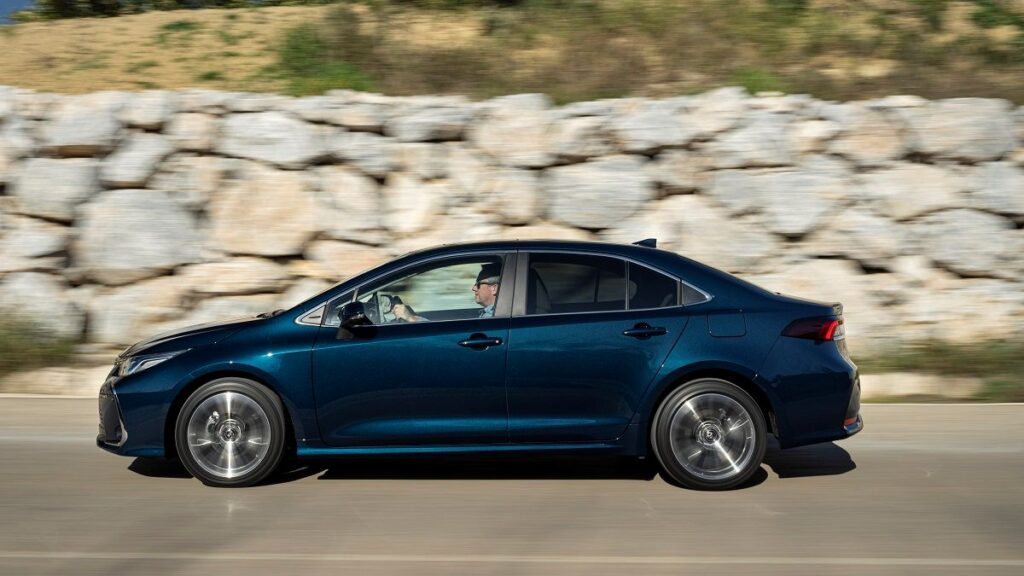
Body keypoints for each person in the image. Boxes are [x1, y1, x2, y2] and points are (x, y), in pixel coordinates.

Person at [392, 262, 501, 322]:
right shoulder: (492, 314)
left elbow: (450, 340)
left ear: (494, 288)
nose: (473, 288)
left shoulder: (494, 317)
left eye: (478, 284)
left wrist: (412, 318)